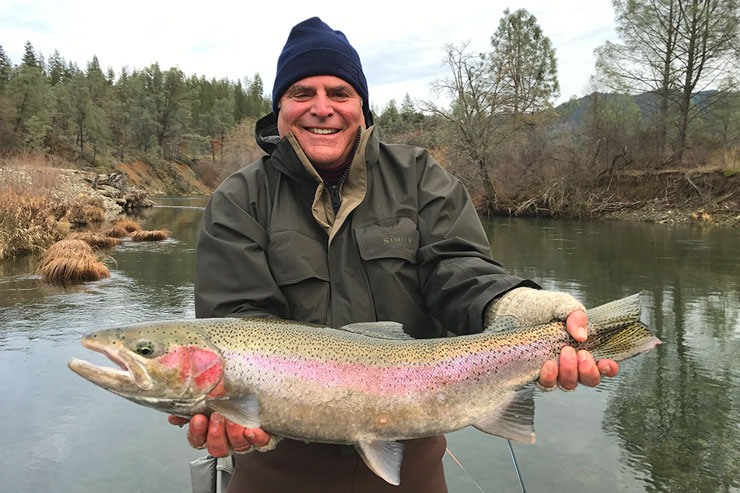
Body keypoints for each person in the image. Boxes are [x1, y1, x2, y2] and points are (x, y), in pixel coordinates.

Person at [169, 16, 619, 492]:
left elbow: (457, 269)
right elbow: (238, 324)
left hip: (413, 462)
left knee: (589, 334)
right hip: (277, 467)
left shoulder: (420, 177)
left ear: (362, 107)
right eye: (302, 93)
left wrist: (512, 306)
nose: (322, 108)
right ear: (278, 108)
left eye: (339, 93)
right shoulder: (240, 199)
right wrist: (224, 405)